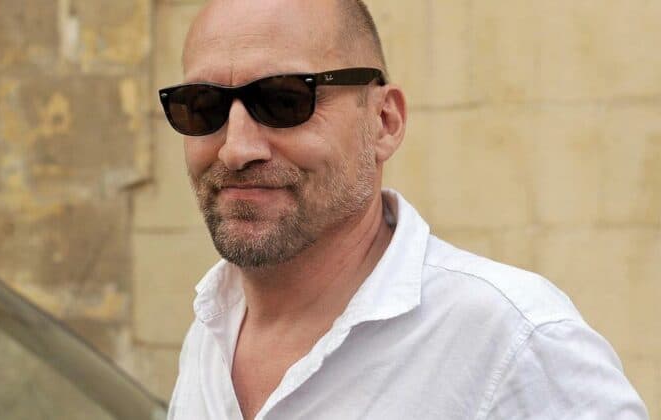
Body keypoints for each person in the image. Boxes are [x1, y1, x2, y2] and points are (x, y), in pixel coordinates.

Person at [158, 1, 649, 419]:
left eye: (284, 100)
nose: (236, 149)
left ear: (385, 121)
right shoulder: (212, 328)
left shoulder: (516, 342)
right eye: (202, 106)